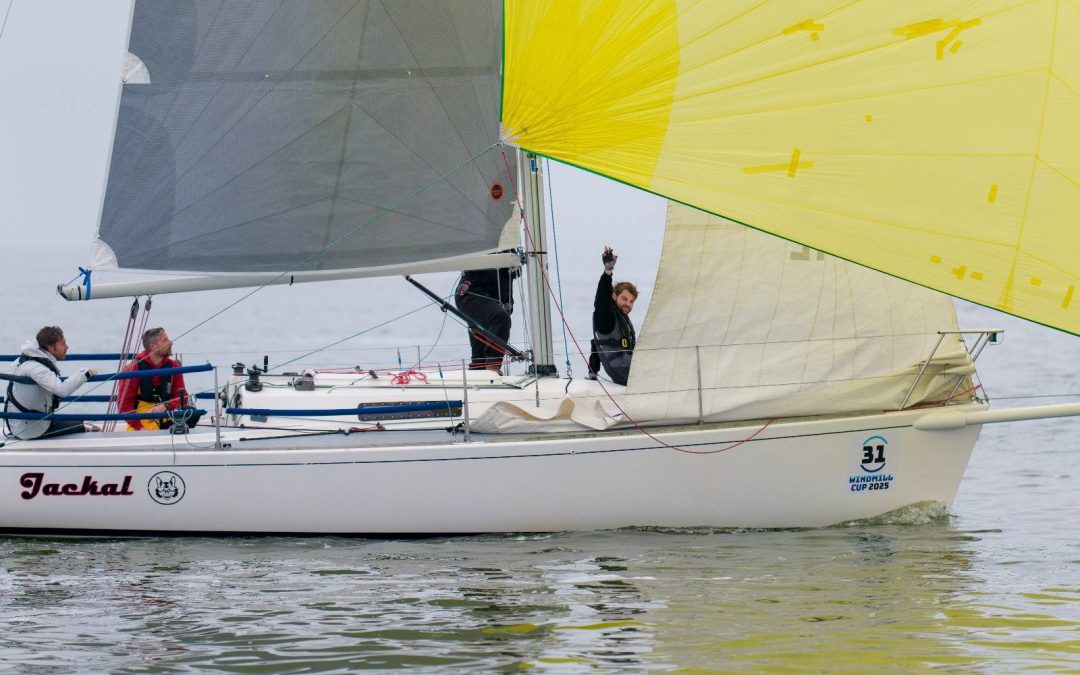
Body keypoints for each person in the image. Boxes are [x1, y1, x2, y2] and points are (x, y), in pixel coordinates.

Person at [4, 326, 99, 440]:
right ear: (51, 348)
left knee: (71, 420)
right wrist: (85, 373)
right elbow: (62, 390)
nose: (67, 347)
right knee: (78, 423)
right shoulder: (37, 368)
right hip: (30, 429)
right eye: (63, 343)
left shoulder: (22, 361)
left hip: (18, 424)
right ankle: (82, 427)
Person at [117, 327, 192, 431]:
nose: (171, 343)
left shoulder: (173, 366)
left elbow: (183, 397)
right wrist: (139, 428)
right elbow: (124, 405)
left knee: (192, 413)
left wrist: (166, 406)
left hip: (166, 417)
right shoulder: (133, 368)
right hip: (143, 421)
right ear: (153, 346)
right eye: (165, 340)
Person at [454, 264, 518, 374]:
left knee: (480, 357)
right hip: (471, 293)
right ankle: (492, 369)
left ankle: (479, 372)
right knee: (499, 317)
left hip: (497, 299)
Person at [590, 246, 637, 386]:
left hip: (632, 367)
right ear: (614, 296)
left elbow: (596, 344)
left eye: (631, 301)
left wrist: (593, 370)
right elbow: (602, 299)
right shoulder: (607, 316)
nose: (627, 304)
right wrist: (608, 272)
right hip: (623, 372)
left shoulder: (621, 316)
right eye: (624, 299)